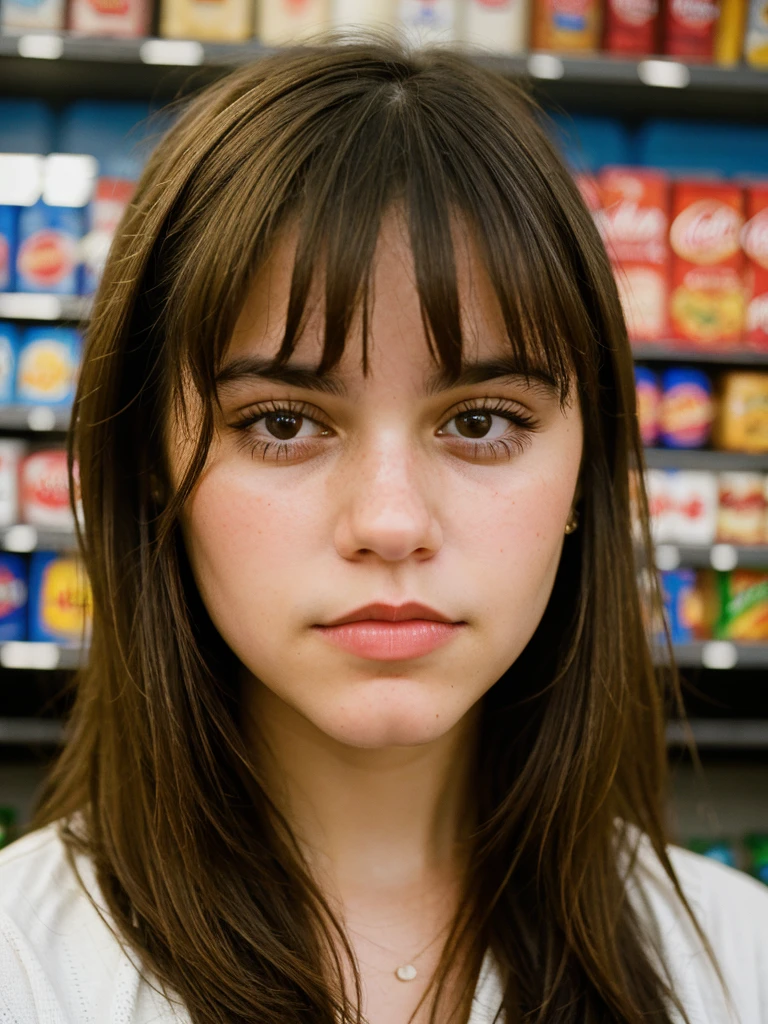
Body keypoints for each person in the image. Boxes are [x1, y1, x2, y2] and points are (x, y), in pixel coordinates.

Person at [1, 38, 766, 1024]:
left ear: (592, 466)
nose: (392, 522)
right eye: (282, 424)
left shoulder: (736, 968)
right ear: (150, 467)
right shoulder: (24, 967)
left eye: (482, 421)